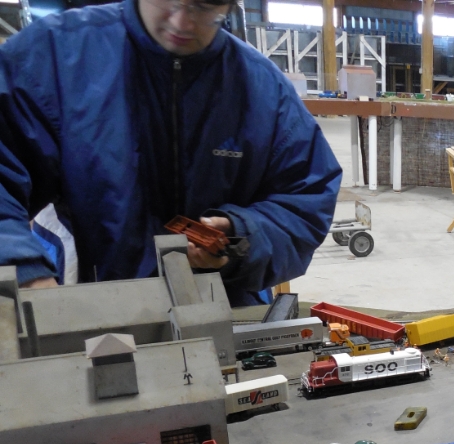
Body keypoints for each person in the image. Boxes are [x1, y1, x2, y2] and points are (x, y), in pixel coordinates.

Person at [0, 0, 341, 305]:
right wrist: (22, 269)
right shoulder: (53, 57)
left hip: (227, 307)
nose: (182, 21)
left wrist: (243, 237)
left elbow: (305, 201)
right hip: (94, 300)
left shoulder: (264, 91)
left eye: (205, 5)